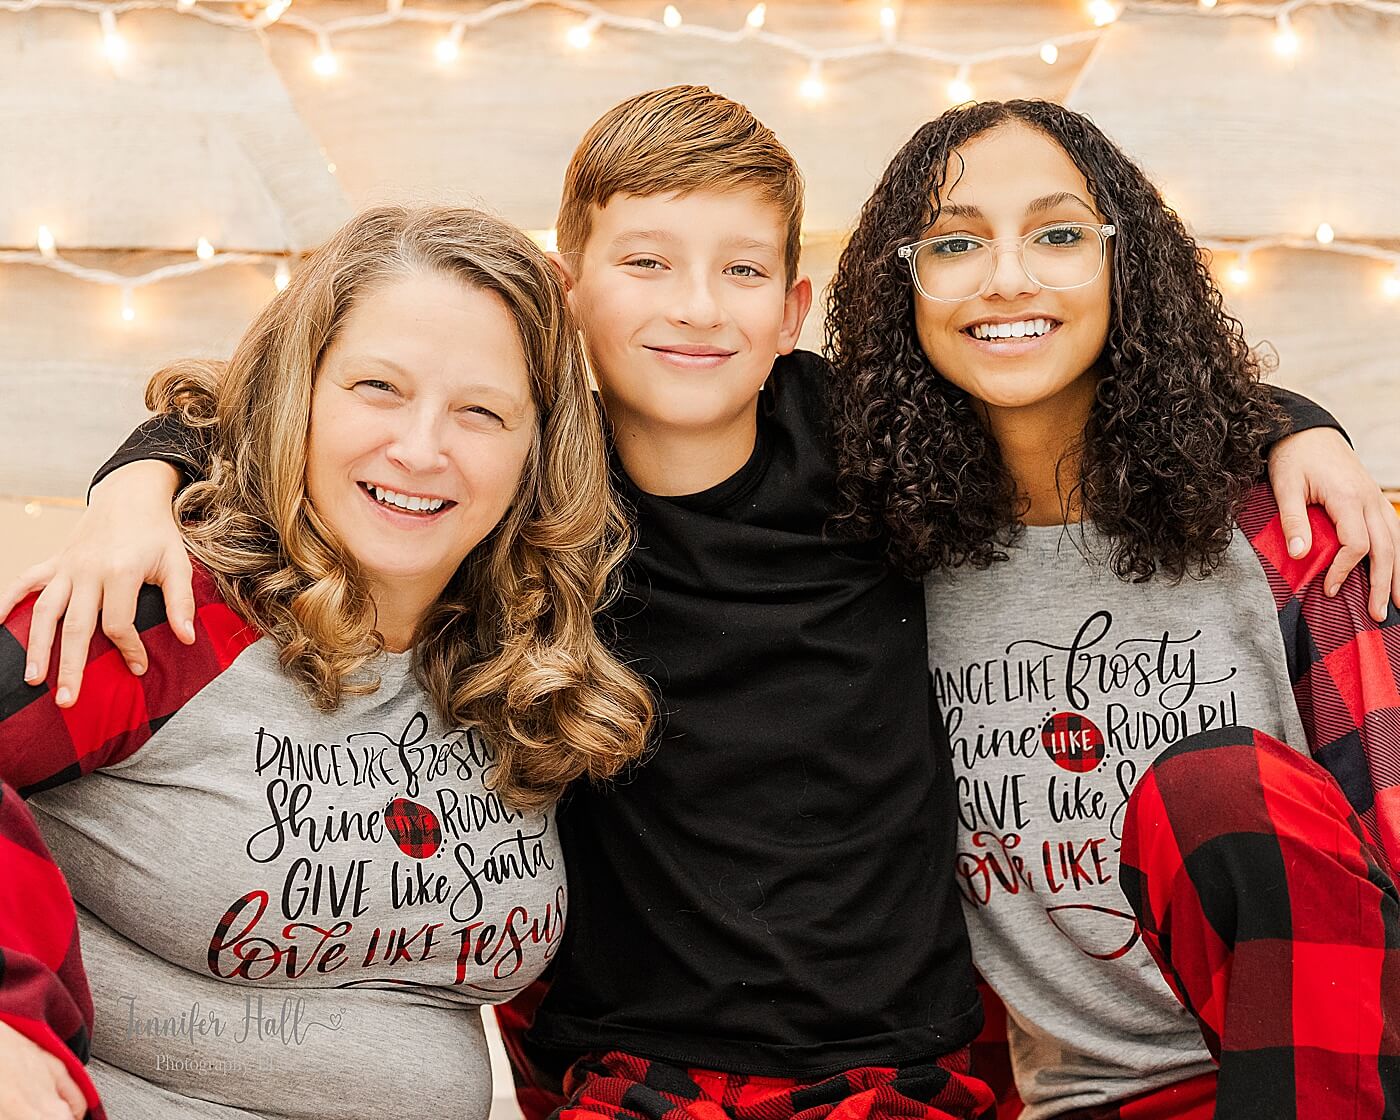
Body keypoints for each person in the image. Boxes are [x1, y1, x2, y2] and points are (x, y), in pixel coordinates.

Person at [6, 88, 1400, 1120]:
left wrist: (1293, 421)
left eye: (741, 273)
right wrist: (145, 479)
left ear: (795, 305)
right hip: (639, 1072)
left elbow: (1064, 382)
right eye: (647, 265)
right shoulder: (520, 489)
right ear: (568, 295)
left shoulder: (873, 454)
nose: (696, 311)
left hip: (905, 1070)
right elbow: (321, 424)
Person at [0, 205, 654, 1120]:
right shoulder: (160, 615)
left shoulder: (528, 669)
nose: (421, 450)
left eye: (481, 410)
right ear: (297, 393)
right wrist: (10, 1030)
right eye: (377, 388)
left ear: (537, 451)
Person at [825, 98, 1400, 1119]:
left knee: (1216, 789)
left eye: (1055, 234)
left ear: (1121, 266)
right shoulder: (880, 561)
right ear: (900, 285)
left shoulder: (1284, 522)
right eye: (954, 242)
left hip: (1341, 1068)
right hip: (1090, 1100)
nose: (1007, 277)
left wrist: (1295, 425)